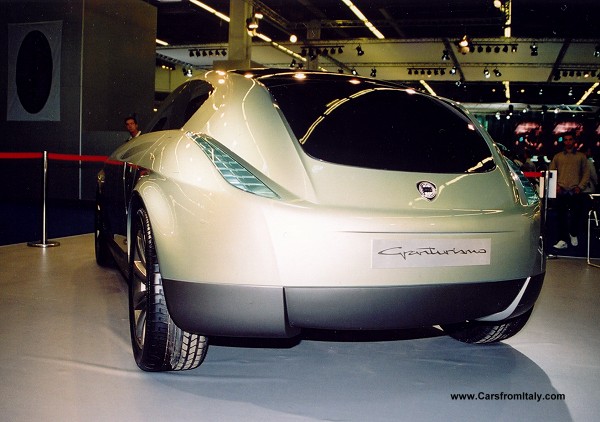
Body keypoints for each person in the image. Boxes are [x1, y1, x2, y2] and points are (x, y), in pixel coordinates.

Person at [549, 132, 590, 249]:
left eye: (570, 139)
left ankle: (573, 233)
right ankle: (562, 239)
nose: (568, 142)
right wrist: (556, 186)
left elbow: (586, 173)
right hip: (561, 190)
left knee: (576, 215)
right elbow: (552, 173)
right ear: (564, 141)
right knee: (560, 217)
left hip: (575, 190)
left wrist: (580, 187)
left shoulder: (581, 157)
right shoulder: (558, 156)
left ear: (574, 141)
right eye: (566, 140)